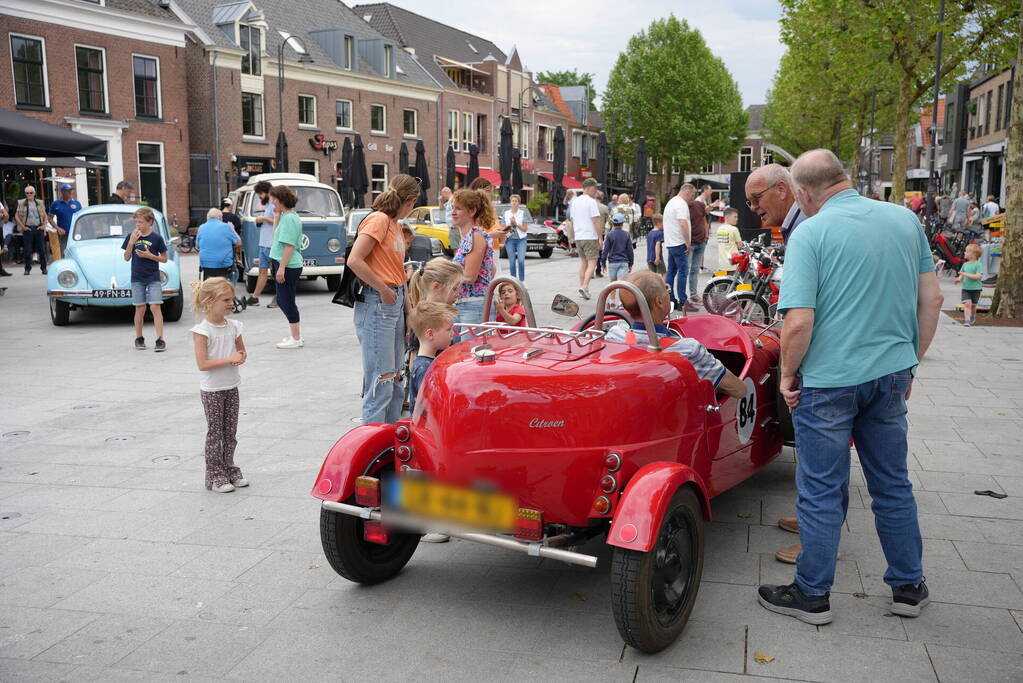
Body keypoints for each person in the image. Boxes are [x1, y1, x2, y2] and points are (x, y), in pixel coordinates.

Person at [758, 148, 943, 625]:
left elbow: (798, 323)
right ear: (843, 177)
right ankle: (908, 586)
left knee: (820, 490)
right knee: (892, 484)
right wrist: (910, 365)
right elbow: (933, 298)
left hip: (828, 383)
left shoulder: (810, 233)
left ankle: (812, 594)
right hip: (889, 377)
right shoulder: (905, 220)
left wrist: (786, 376)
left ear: (801, 192)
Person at [347, 174, 419, 424]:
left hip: (393, 301)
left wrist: (408, 311)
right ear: (410, 200)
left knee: (395, 377)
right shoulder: (378, 220)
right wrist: (383, 290)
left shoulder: (395, 224)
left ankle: (389, 440)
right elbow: (354, 260)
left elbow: (399, 271)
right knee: (382, 378)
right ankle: (372, 443)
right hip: (379, 301)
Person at [606, 271, 747, 399]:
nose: (668, 293)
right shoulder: (688, 349)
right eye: (666, 290)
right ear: (659, 302)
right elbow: (740, 391)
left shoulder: (614, 336)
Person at [190, 277, 248, 493]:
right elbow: (203, 364)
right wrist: (230, 358)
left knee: (230, 432)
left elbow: (241, 351)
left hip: (231, 386)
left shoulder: (234, 326)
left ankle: (230, 468)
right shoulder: (202, 331)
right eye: (225, 299)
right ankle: (215, 475)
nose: (230, 303)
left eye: (231, 299)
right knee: (215, 433)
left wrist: (240, 356)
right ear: (208, 302)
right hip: (213, 390)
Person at [121, 207, 168, 351]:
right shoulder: (131, 236)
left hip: (153, 276)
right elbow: (126, 257)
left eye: (140, 222)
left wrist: (150, 256)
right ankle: (139, 337)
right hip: (137, 277)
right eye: (136, 222)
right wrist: (131, 242)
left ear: (150, 222)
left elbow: (165, 259)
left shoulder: (157, 238)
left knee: (155, 306)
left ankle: (160, 339)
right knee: (140, 308)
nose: (138, 225)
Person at [450, 188, 496, 327]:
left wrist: (443, 277)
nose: (453, 212)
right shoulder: (468, 237)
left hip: (473, 305)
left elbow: (470, 277)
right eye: (453, 208)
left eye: (458, 209)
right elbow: (491, 269)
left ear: (472, 211)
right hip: (467, 303)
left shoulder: (475, 236)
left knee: (469, 349)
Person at [267, 185, 305, 349]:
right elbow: (277, 236)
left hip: (288, 265)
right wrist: (276, 216)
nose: (271, 203)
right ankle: (295, 335)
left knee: (286, 300)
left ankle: (296, 338)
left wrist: (281, 268)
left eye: (273, 199)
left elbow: (289, 245)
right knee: (283, 299)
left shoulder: (290, 219)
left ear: (280, 199)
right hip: (283, 263)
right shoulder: (287, 216)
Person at [408, 300, 457, 415]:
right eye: (448, 329)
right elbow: (430, 406)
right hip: (427, 428)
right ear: (430, 334)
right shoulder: (425, 368)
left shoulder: (425, 363)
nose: (452, 333)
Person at [746, 164, 806, 245]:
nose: (752, 208)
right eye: (750, 202)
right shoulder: (801, 222)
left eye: (756, 198)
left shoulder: (803, 229)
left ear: (781, 190)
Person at [569, 178, 603, 299]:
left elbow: (572, 221)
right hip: (590, 236)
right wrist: (600, 237)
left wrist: (572, 236)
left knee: (583, 262)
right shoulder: (591, 202)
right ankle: (584, 286)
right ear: (588, 188)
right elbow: (596, 221)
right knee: (592, 263)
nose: (596, 190)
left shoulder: (575, 202)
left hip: (579, 236)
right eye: (595, 188)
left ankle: (581, 287)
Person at [662, 184, 693, 309]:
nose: (692, 198)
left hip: (671, 242)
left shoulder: (671, 202)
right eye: (692, 195)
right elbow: (683, 223)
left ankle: (670, 298)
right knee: (683, 272)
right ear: (686, 192)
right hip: (679, 243)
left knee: (671, 271)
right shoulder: (681, 204)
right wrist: (687, 242)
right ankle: (683, 301)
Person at [246, 180, 275, 307]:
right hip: (264, 243)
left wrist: (263, 219)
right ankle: (255, 297)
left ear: (266, 192)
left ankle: (279, 298)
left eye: (260, 194)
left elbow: (278, 222)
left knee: (276, 272)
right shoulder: (268, 204)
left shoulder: (274, 204)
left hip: (271, 243)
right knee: (262, 271)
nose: (259, 197)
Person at [15, 186, 50, 275]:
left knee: (42, 249)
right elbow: (16, 216)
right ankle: (27, 269)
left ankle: (44, 268)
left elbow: (45, 215)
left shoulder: (39, 202)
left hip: (38, 228)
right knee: (27, 250)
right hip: (28, 228)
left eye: (31, 193)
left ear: (34, 193)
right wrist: (23, 226)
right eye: (27, 193)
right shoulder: (22, 203)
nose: (29, 194)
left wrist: (44, 225)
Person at [196, 208, 240, 280]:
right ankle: (229, 289)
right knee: (236, 272)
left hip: (206, 265)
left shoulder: (201, 227)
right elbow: (238, 243)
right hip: (223, 265)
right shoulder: (226, 227)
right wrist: (233, 229)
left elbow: (197, 246)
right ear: (220, 217)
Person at [601, 213, 634, 308]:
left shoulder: (609, 235)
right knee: (621, 283)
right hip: (623, 262)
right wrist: (631, 264)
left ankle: (612, 301)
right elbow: (630, 251)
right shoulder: (626, 235)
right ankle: (620, 302)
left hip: (612, 263)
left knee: (612, 283)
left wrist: (603, 263)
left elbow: (605, 250)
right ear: (623, 223)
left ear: (612, 223)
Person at [686, 185, 711, 305]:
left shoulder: (699, 205)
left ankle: (693, 294)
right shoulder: (684, 207)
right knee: (686, 270)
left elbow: (704, 221)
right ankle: (684, 295)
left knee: (695, 269)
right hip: (691, 243)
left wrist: (706, 236)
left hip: (701, 241)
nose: (693, 196)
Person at [47, 183, 81, 256]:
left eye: (70, 191)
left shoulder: (77, 203)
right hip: (63, 233)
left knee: (76, 252)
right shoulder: (56, 204)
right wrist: (58, 228)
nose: (69, 192)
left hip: (75, 233)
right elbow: (50, 218)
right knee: (64, 252)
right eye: (67, 191)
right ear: (62, 192)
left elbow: (80, 218)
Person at [955, 243, 984, 326]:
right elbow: (961, 274)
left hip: (976, 289)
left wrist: (964, 274)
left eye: (966, 251)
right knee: (967, 304)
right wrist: (959, 279)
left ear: (973, 255)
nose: (964, 253)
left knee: (973, 306)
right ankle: (967, 321)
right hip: (966, 288)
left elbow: (978, 276)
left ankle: (973, 316)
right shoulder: (965, 264)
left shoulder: (978, 265)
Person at [503, 194, 529, 281]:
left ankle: (522, 281)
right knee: (512, 262)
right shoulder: (506, 213)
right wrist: (510, 225)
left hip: (521, 240)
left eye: (516, 201)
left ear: (519, 203)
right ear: (510, 203)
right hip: (509, 240)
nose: (514, 203)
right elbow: (503, 228)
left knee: (521, 260)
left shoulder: (522, 213)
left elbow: (525, 229)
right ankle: (513, 281)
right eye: (512, 201)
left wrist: (516, 224)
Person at [716, 208, 743, 272]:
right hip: (732, 264)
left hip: (722, 264)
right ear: (727, 217)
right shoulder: (734, 229)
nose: (737, 219)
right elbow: (740, 246)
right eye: (735, 217)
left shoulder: (719, 229)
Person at [594, 191, 610, 277]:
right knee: (600, 252)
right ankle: (598, 271)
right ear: (602, 198)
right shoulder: (605, 208)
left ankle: (590, 271)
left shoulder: (590, 207)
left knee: (591, 252)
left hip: (590, 232)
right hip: (601, 232)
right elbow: (608, 221)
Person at [646, 213, 665, 281]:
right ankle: (663, 287)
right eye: (663, 223)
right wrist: (657, 257)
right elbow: (657, 245)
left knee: (653, 276)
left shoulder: (650, 233)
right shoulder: (660, 233)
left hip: (649, 258)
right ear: (658, 223)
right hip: (657, 258)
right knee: (664, 273)